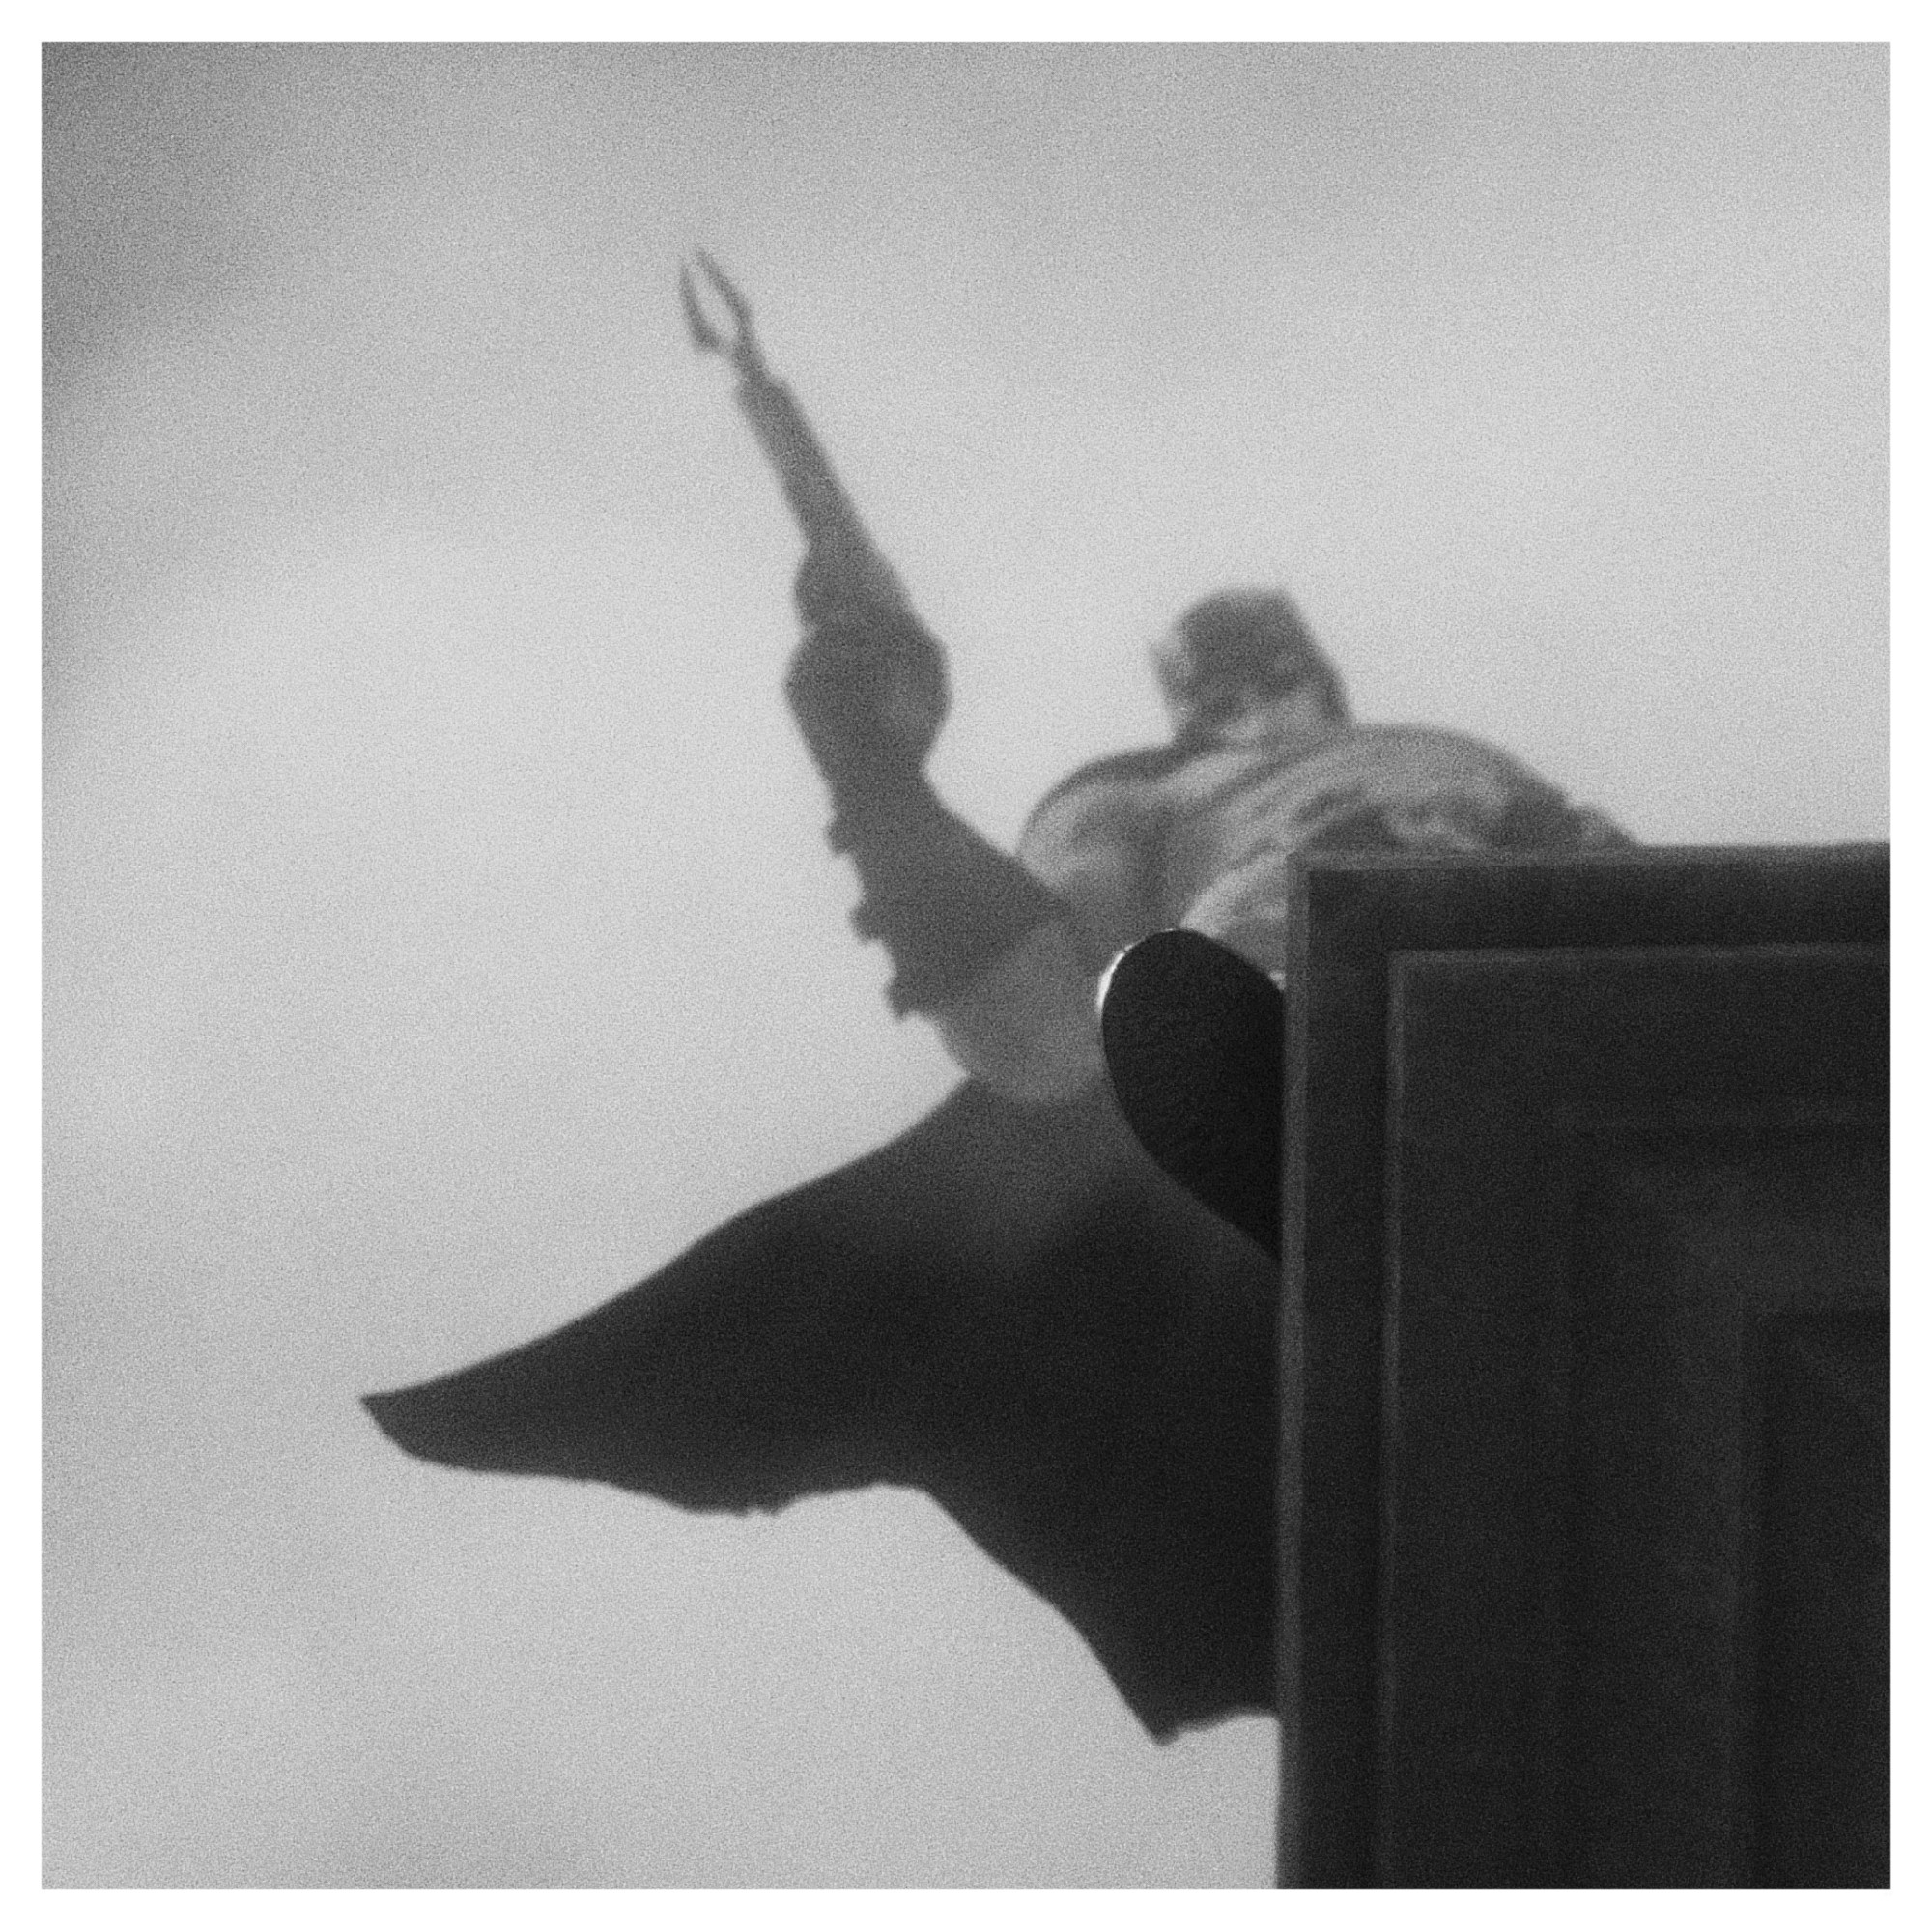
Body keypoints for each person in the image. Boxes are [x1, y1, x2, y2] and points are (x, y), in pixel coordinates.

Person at [366, 575, 1626, 1743]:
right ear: (1183, 698)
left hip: (1559, 1093)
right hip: (1285, 1096)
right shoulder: (1129, 802)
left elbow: (1644, 909)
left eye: (1273, 661)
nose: (1250, 689)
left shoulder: (1456, 763)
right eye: (1219, 674)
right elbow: (1042, 1033)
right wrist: (868, 764)